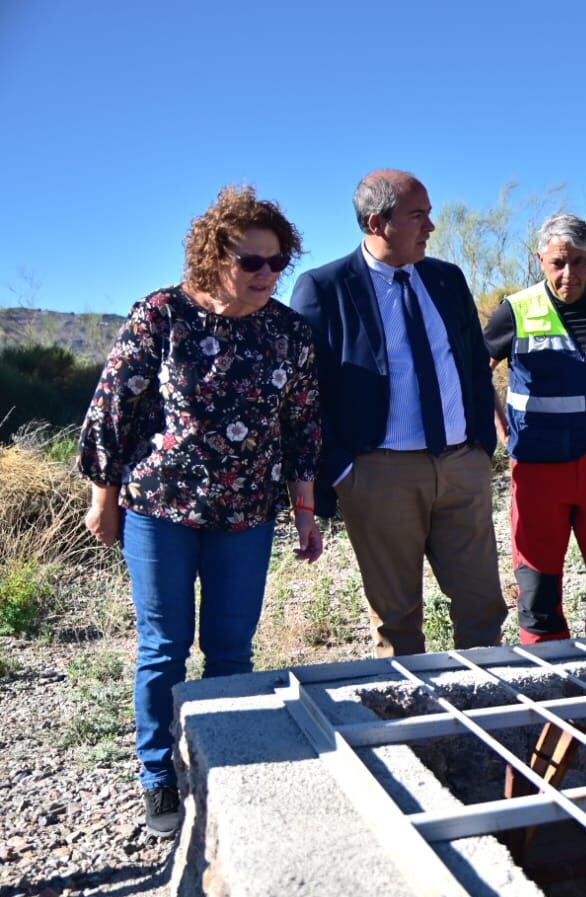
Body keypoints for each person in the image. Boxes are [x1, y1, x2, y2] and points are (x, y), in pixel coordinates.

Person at [78, 186, 322, 838]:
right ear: (215, 257)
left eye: (276, 263)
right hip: (159, 508)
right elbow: (112, 407)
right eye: (251, 263)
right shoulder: (161, 315)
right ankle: (158, 775)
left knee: (230, 651)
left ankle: (225, 765)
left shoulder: (289, 334)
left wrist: (304, 510)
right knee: (164, 648)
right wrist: (104, 498)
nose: (267, 275)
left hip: (246, 514)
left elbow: (301, 427)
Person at [291, 170, 506, 656]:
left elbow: (473, 364)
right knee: (397, 618)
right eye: (418, 216)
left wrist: (479, 447)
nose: (430, 226)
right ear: (377, 223)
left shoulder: (447, 279)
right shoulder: (324, 289)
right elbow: (308, 393)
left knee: (483, 606)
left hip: (461, 468)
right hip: (379, 475)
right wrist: (345, 471)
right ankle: (414, 724)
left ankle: (486, 713)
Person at [483, 215, 586, 642]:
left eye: (579, 262)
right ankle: (550, 693)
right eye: (558, 263)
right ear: (540, 260)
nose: (569, 274)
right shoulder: (516, 310)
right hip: (538, 468)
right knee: (539, 594)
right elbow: (476, 371)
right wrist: (501, 428)